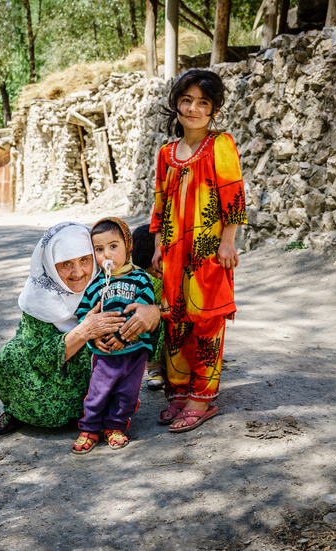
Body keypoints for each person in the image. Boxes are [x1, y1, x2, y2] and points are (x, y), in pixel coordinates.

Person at [0, 222, 162, 438]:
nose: (78, 272)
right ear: (51, 264)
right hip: (53, 370)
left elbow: (156, 323)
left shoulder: (117, 278)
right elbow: (39, 358)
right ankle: (18, 412)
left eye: (84, 259)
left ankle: (105, 416)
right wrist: (83, 332)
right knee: (10, 356)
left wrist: (153, 313)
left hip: (97, 370)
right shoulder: (39, 295)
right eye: (65, 264)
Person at [149, 69, 247, 433]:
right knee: (175, 321)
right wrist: (158, 247)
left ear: (214, 110)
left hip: (208, 251)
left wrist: (228, 241)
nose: (193, 109)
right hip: (173, 252)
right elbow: (160, 202)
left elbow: (234, 194)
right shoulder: (166, 153)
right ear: (176, 103)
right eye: (187, 100)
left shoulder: (220, 145)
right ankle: (178, 391)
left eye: (202, 103)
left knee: (206, 320)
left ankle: (202, 399)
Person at [71, 218, 157, 453]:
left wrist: (123, 337)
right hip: (105, 352)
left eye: (113, 246)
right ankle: (89, 428)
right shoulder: (95, 285)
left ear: (128, 246)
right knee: (98, 391)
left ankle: (115, 426)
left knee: (127, 393)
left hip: (134, 351)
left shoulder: (141, 279)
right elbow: (83, 314)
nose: (106, 254)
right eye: (99, 249)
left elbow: (143, 310)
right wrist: (91, 336)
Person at [131, 223, 167, 391]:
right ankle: (155, 369)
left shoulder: (172, 271)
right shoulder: (140, 279)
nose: (157, 275)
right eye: (152, 273)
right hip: (156, 320)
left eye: (159, 270)